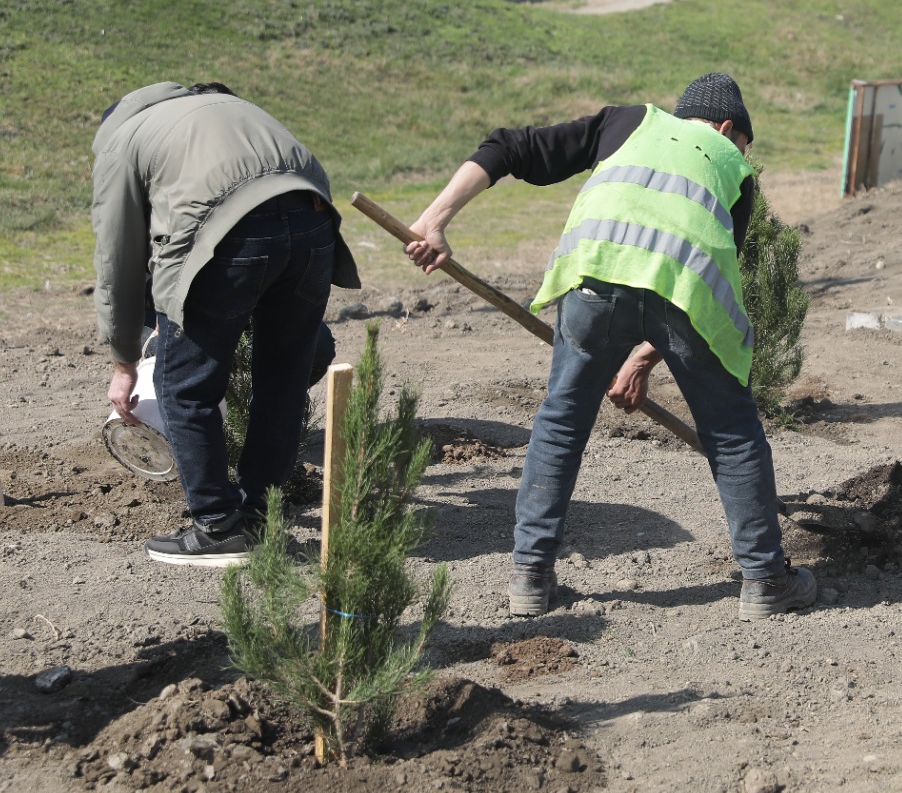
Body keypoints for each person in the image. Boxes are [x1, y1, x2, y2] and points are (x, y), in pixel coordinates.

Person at [403, 73, 816, 621]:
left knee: (561, 422)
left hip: (595, 280)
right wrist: (651, 351)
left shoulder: (625, 122)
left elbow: (508, 147)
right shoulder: (733, 167)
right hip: (683, 296)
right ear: (725, 128)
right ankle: (766, 580)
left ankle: (530, 577)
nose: (741, 153)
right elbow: (703, 280)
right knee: (733, 433)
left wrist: (433, 220)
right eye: (742, 143)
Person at [93, 82, 360, 566]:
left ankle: (217, 526)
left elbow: (117, 258)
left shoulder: (122, 139)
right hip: (314, 222)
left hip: (231, 237)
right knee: (283, 381)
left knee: (184, 386)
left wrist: (125, 361)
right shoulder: (224, 110)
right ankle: (261, 520)